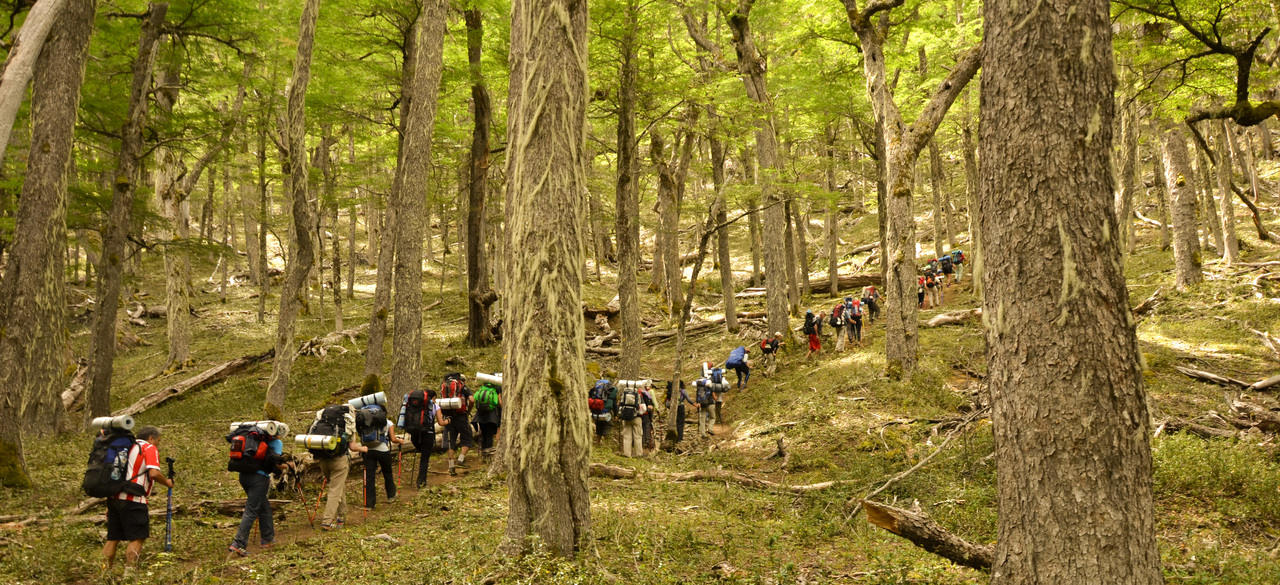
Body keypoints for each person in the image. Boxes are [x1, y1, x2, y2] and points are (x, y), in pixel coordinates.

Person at [103, 426, 174, 574]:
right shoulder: (148, 447)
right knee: (138, 537)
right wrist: (167, 482)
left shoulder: (125, 447)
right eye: (158, 441)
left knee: (113, 538)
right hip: (134, 498)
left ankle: (105, 574)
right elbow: (154, 473)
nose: (158, 444)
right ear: (151, 438)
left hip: (114, 497)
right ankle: (129, 575)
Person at [229, 424, 291, 557]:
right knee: (251, 510)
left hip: (244, 476)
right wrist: (289, 465)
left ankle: (267, 538)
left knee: (264, 507)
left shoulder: (252, 438)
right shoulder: (276, 442)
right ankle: (238, 543)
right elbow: (277, 464)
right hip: (259, 479)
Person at [312, 404, 367, 531]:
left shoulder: (323, 422)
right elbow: (353, 447)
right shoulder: (348, 424)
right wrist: (363, 449)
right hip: (339, 461)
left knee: (339, 487)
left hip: (323, 460)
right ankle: (327, 522)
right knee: (335, 490)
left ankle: (341, 517)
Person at [360, 407, 406, 510]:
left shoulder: (364, 422)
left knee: (369, 477)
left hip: (367, 451)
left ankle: (369, 504)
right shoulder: (388, 422)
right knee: (387, 472)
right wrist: (400, 441)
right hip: (382, 451)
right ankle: (391, 496)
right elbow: (393, 439)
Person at [397, 388, 445, 489]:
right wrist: (448, 421)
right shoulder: (435, 407)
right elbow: (441, 423)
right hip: (428, 435)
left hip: (414, 434)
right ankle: (421, 482)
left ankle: (421, 480)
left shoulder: (413, 406)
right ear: (433, 398)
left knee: (422, 453)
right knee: (424, 459)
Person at [439, 373, 474, 476]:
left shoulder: (444, 386)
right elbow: (472, 400)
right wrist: (468, 410)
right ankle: (460, 460)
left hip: (448, 417)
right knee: (467, 437)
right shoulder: (463, 387)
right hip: (461, 416)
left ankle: (451, 465)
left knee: (450, 440)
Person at [472, 380, 502, 457]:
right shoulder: (496, 390)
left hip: (480, 416)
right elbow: (499, 403)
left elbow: (474, 399)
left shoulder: (482, 388)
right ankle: (488, 455)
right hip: (491, 417)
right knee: (489, 436)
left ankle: (483, 453)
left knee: (483, 435)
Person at [590, 379, 617, 446]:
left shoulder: (596, 389)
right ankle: (607, 445)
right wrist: (615, 415)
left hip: (597, 410)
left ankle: (598, 443)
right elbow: (614, 404)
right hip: (606, 412)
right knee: (607, 428)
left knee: (598, 428)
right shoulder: (612, 390)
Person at [640, 383, 657, 452]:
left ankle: (642, 441)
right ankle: (647, 441)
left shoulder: (637, 392)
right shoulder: (646, 393)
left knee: (641, 427)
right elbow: (651, 403)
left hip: (637, 414)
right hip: (646, 413)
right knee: (647, 426)